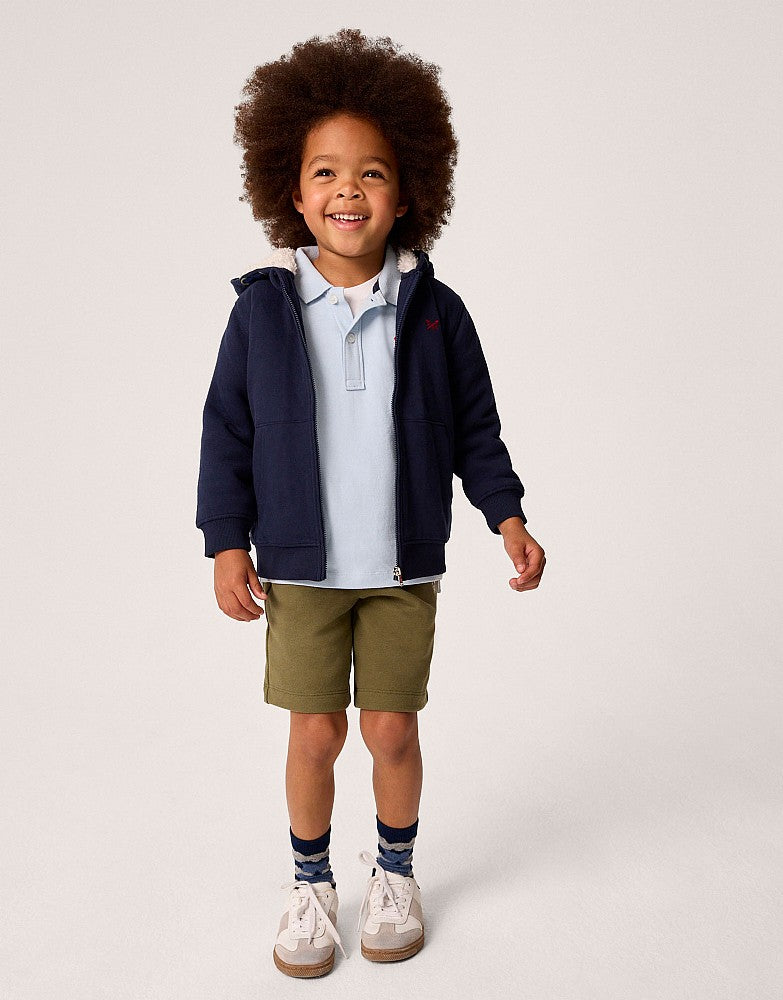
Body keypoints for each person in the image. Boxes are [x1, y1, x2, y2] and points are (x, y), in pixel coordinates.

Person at [195, 27, 546, 979]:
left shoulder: (436, 310)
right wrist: (225, 542)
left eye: (373, 173)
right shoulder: (261, 310)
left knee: (391, 729)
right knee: (315, 733)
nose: (348, 190)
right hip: (300, 572)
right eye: (325, 172)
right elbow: (226, 432)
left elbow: (476, 429)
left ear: (408, 191)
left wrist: (507, 516)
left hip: (400, 568)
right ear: (290, 189)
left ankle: (394, 872)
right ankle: (310, 884)